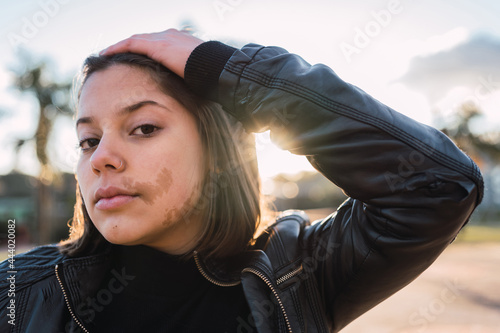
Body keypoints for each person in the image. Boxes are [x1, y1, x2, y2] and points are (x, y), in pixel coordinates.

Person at [0, 29, 483, 333]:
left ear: (216, 151)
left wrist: (234, 73)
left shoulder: (302, 273)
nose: (101, 159)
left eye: (144, 128)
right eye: (88, 140)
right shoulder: (18, 290)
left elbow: (437, 184)